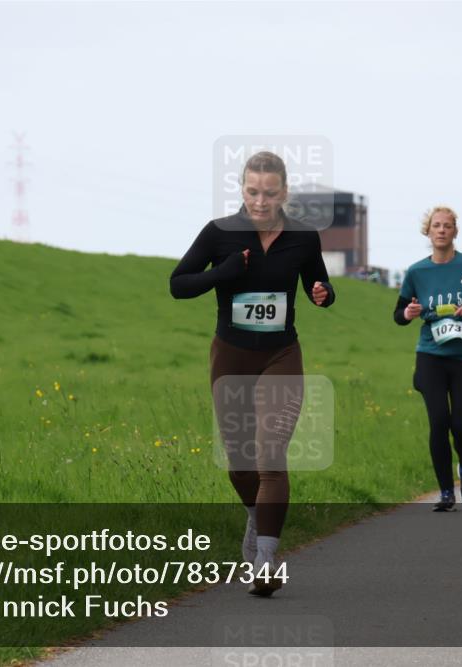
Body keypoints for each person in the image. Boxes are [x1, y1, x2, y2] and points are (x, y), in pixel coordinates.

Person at [169, 151, 335, 595]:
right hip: (231, 357)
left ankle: (265, 560)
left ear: (284, 191)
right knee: (240, 462)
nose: (261, 201)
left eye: (270, 192)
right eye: (252, 191)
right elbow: (178, 284)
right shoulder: (219, 233)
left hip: (281, 355)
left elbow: (319, 285)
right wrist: (222, 272)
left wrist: (323, 292)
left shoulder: (303, 237)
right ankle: (254, 516)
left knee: (270, 456)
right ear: (242, 188)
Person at [393, 206, 462, 511]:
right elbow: (399, 314)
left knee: (461, 425)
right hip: (431, 355)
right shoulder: (416, 272)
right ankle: (445, 492)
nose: (441, 230)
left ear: (455, 231)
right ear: (428, 231)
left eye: (447, 226)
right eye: (436, 225)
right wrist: (408, 313)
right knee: (438, 422)